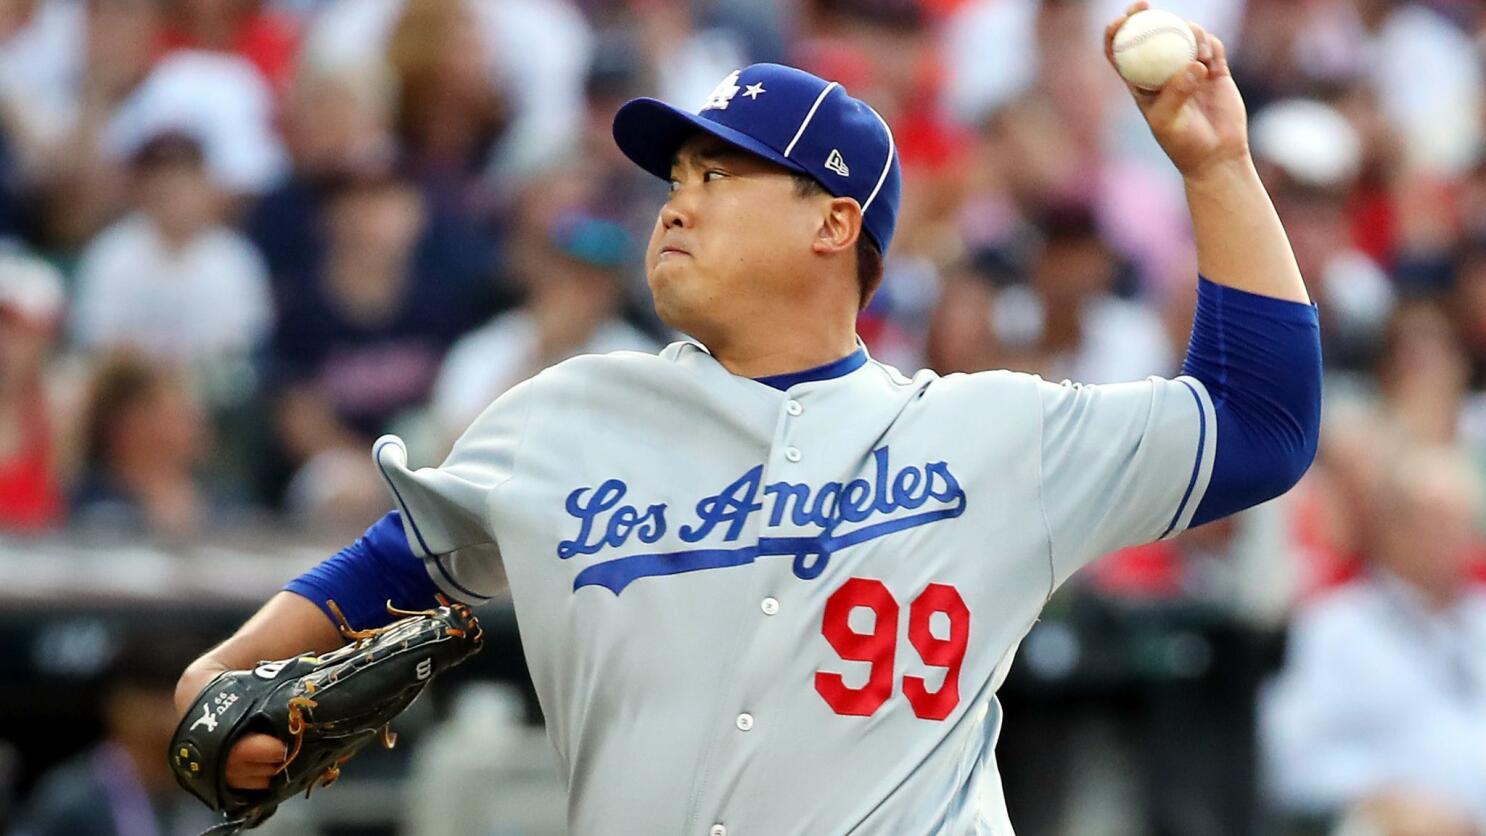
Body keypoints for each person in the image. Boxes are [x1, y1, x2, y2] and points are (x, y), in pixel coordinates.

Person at [175, 4, 1322, 833]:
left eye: (719, 176)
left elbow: (1261, 421)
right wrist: (215, 681)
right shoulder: (567, 413)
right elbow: (386, 569)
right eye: (675, 176)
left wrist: (1217, 165)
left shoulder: (995, 436)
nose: (676, 200)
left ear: (833, 224)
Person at [1260, 447, 1486, 835]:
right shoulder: (1336, 629)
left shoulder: (1480, 620)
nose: (1453, 538)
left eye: (1460, 521)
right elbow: (1291, 760)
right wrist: (1380, 799)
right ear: (1390, 529)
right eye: (1435, 522)